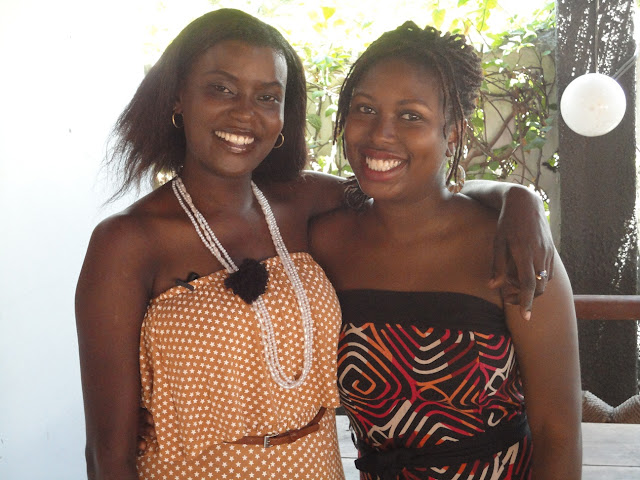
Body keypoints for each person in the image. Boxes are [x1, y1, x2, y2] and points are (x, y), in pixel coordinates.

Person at [76, 9, 555, 480]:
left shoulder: (302, 204)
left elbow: (410, 190)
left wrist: (518, 198)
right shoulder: (126, 242)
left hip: (317, 465)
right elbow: (107, 455)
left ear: (283, 114)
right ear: (178, 97)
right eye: (221, 89)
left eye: (267, 96)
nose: (244, 112)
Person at [310, 22, 582, 480]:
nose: (381, 133)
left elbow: (557, 433)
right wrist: (518, 194)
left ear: (452, 132)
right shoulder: (324, 242)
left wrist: (519, 198)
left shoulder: (511, 248)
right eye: (365, 109)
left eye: (411, 116)